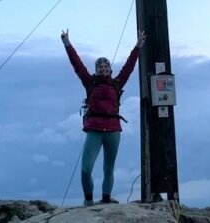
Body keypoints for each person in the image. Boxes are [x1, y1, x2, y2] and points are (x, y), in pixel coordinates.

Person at [61, 28, 146, 206]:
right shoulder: (89, 82)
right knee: (85, 169)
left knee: (109, 168)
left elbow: (129, 67)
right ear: (96, 70)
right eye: (100, 67)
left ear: (110, 69)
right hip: (94, 129)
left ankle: (106, 199)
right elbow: (77, 65)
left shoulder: (117, 83)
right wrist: (67, 44)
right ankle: (89, 201)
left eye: (106, 67)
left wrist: (138, 46)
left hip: (113, 130)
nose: (104, 69)